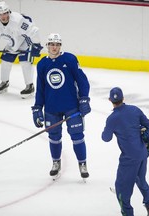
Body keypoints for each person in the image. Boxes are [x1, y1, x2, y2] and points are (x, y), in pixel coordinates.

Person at [31, 33, 91, 180]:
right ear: (47, 46)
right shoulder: (42, 64)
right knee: (54, 137)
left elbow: (82, 80)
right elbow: (41, 88)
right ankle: (56, 162)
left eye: (57, 44)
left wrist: (84, 99)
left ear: (60, 46)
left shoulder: (70, 59)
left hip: (71, 106)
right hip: (51, 108)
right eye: (51, 44)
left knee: (77, 136)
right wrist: (38, 107)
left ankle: (82, 164)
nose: (54, 47)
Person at [102, 87, 149, 216]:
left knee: (121, 189)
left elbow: (106, 138)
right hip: (142, 153)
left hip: (129, 158)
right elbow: (148, 124)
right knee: (140, 179)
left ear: (110, 100)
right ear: (123, 98)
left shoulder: (112, 118)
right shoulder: (135, 110)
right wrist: (147, 140)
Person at [0, 1, 42, 98]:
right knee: (5, 61)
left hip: (25, 40)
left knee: (25, 62)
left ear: (9, 12)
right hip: (12, 42)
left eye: (5, 13)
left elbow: (34, 31)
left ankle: (29, 86)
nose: (3, 16)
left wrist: (36, 45)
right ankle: (4, 83)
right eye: (0, 14)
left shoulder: (18, 20)